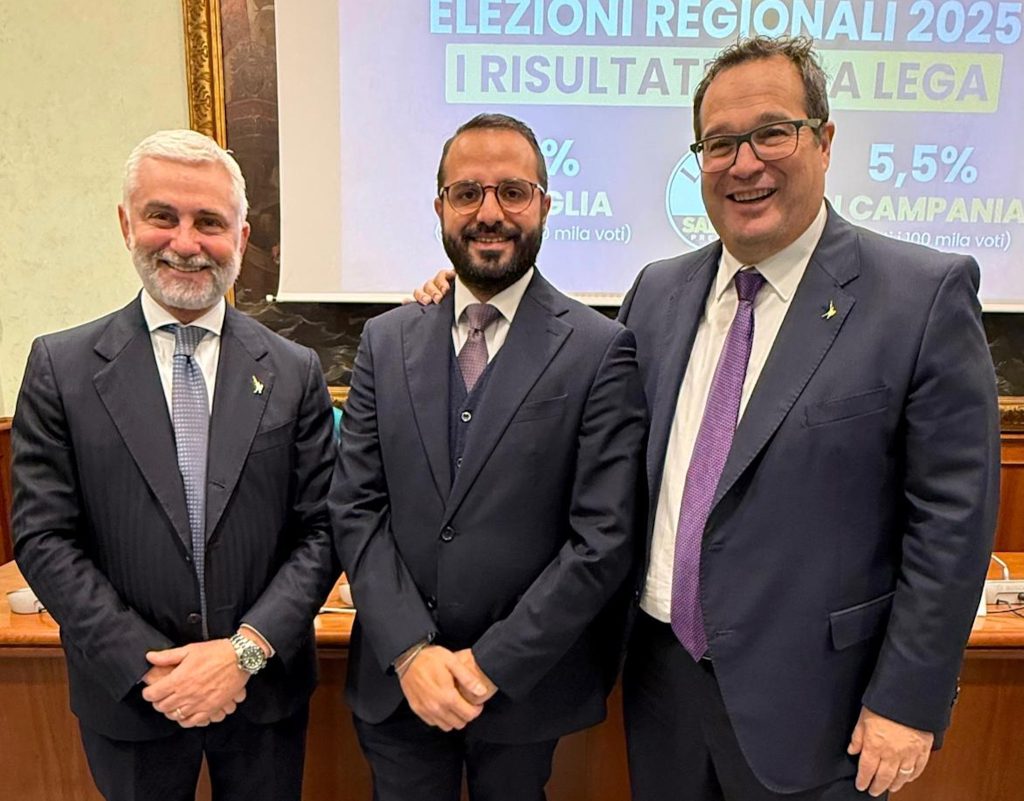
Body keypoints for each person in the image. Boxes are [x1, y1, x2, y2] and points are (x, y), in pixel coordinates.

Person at [414, 37, 999, 801]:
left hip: (822, 708)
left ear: (824, 141)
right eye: (719, 143)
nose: (744, 163)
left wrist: (908, 699)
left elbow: (951, 523)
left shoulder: (919, 296)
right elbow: (568, 419)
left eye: (771, 133)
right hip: (662, 689)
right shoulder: (656, 294)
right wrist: (460, 310)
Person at [11, 129, 337, 801]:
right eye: (164, 216)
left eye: (209, 222)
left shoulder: (295, 370)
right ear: (127, 223)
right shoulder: (60, 367)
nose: (185, 242)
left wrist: (243, 650)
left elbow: (322, 530)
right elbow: (44, 537)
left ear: (241, 239)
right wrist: (151, 667)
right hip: (131, 698)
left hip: (264, 692)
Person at [330, 113, 646, 801]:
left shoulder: (600, 350)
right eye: (467, 192)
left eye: (513, 191)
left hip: (523, 694)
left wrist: (488, 665)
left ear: (545, 205)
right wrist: (413, 651)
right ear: (440, 205)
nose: (490, 212)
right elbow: (355, 505)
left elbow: (603, 537)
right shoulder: (386, 341)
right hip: (397, 683)